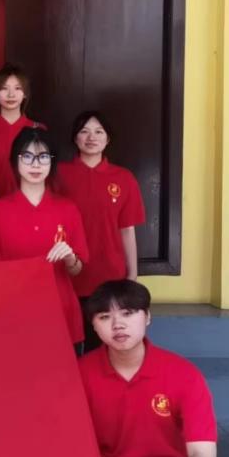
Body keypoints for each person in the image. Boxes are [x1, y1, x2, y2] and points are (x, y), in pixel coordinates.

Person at [79, 280, 217, 457]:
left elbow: (202, 455)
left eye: (127, 313)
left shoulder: (184, 374)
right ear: (94, 325)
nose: (118, 325)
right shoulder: (79, 374)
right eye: (104, 317)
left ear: (148, 317)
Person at [0, 127, 88, 350]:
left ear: (52, 162)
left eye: (43, 157)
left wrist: (70, 258)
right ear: (15, 161)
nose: (36, 164)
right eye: (28, 156)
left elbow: (77, 269)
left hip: (60, 310)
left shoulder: (67, 209)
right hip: (13, 312)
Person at [57, 111, 145, 351]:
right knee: (66, 347)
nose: (91, 137)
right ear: (75, 138)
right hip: (67, 275)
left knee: (102, 348)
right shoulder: (58, 174)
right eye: (84, 131)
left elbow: (127, 230)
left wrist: (132, 275)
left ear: (108, 138)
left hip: (109, 276)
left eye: (98, 132)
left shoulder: (124, 178)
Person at [0, 64, 45, 199]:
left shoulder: (38, 129)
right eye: (4, 88)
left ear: (25, 94)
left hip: (33, 202)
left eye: (17, 88)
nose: (11, 94)